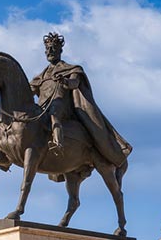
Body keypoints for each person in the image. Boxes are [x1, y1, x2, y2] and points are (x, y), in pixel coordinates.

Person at [30, 32, 131, 163]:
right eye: (47, 49)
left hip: (62, 107)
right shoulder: (40, 77)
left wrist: (65, 82)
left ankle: (58, 144)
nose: (49, 51)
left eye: (53, 48)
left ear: (60, 50)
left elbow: (75, 83)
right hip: (42, 108)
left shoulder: (71, 69)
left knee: (53, 114)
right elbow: (27, 92)